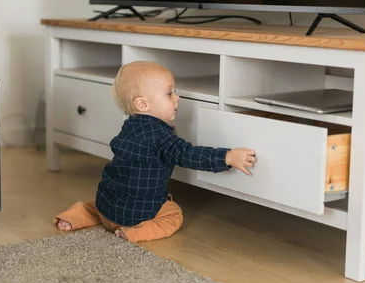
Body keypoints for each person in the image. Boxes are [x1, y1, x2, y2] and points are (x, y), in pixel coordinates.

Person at [53, 61, 256, 242]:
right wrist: (227, 156)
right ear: (143, 104)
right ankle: (134, 233)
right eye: (169, 93)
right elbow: (189, 155)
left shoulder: (129, 126)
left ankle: (77, 214)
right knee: (173, 215)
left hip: (107, 203)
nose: (177, 98)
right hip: (138, 215)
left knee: (96, 207)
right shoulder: (162, 138)